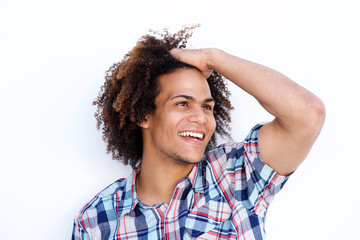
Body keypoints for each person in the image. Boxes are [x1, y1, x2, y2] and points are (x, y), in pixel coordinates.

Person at [72, 25, 325, 240]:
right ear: (143, 115)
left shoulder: (236, 175)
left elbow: (307, 114)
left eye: (207, 107)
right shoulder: (97, 220)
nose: (201, 118)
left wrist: (212, 58)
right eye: (182, 103)